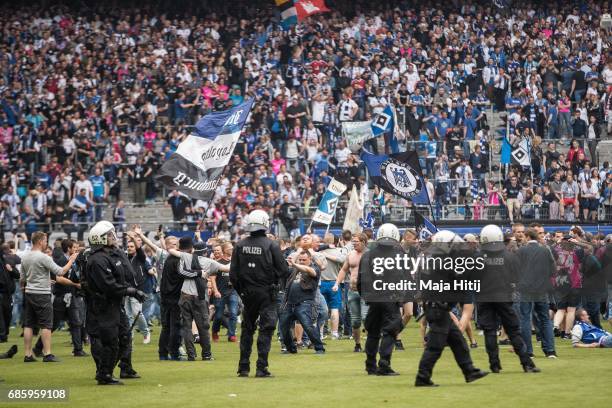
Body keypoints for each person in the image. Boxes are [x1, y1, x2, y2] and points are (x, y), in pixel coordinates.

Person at [415, 230, 488, 387]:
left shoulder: (435, 258)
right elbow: (459, 277)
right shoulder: (441, 260)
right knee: (435, 346)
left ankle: (470, 371)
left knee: (458, 341)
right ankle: (422, 377)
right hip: (438, 308)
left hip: (438, 307)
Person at [83, 221, 146, 385]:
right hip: (104, 306)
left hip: (115, 304)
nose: (113, 237)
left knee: (124, 337)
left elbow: (122, 277)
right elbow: (109, 286)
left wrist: (132, 290)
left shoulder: (111, 254)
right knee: (110, 341)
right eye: (109, 235)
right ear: (100, 239)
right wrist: (132, 291)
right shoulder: (97, 260)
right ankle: (104, 374)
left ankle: (108, 371)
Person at [229, 209, 289, 378]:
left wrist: (242, 292)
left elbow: (233, 275)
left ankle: (243, 367)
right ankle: (261, 367)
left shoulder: (239, 245)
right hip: (267, 293)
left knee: (247, 330)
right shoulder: (271, 245)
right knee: (266, 329)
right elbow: (284, 270)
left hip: (247, 294)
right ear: (265, 223)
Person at [476, 225, 540, 374]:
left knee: (489, 332)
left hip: (484, 298)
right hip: (504, 297)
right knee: (513, 331)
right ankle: (527, 364)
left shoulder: (477, 257)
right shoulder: (509, 256)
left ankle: (494, 365)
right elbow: (517, 277)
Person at [166, 238, 229, 361]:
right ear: (206, 252)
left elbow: (171, 250)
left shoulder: (186, 257)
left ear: (194, 250)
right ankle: (206, 355)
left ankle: (191, 355)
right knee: (203, 327)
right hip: (199, 298)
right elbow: (227, 268)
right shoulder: (210, 262)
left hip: (185, 296)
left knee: (187, 327)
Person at [20, 232, 78, 363]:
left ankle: (28, 355)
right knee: (46, 324)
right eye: (45, 241)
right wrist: (71, 260)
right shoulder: (44, 257)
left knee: (28, 324)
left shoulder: (25, 256)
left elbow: (22, 278)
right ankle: (47, 354)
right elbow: (61, 272)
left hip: (29, 292)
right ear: (40, 241)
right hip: (42, 294)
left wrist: (24, 287)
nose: (47, 243)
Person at [358, 224, 405, 376]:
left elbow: (360, 280)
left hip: (373, 299)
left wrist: (367, 297)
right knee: (390, 331)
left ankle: (370, 365)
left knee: (373, 332)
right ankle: (384, 364)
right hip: (390, 298)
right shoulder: (400, 255)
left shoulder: (367, 254)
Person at [33, 239, 88, 357]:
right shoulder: (61, 260)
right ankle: (38, 348)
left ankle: (78, 349)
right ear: (68, 249)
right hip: (60, 297)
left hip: (71, 295)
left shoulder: (73, 260)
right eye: (74, 248)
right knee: (53, 325)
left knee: (76, 322)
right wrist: (75, 284)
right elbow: (59, 277)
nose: (76, 250)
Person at [516, 228, 557, 358]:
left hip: (525, 289)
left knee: (525, 319)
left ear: (527, 237)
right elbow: (553, 270)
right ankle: (550, 350)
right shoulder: (545, 250)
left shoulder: (521, 251)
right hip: (542, 289)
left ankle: (528, 351)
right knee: (545, 319)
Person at [279, 250, 325, 354]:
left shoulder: (315, 268)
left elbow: (310, 271)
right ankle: (291, 349)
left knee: (308, 326)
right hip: (290, 302)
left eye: (304, 260)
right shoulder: (294, 269)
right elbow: (283, 272)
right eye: (300, 259)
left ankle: (319, 348)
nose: (302, 261)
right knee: (283, 326)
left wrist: (295, 264)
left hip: (305, 302)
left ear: (310, 259)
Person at [333, 233, 368, 352]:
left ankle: (370, 344)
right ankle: (357, 345)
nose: (354, 244)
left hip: (367, 291)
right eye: (353, 242)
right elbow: (344, 269)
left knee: (366, 317)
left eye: (356, 242)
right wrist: (337, 283)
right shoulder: (351, 254)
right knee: (355, 321)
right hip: (352, 291)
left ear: (363, 242)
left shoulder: (370, 255)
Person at [211, 242, 239, 343]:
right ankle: (215, 331)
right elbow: (212, 278)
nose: (232, 249)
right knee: (218, 316)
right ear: (224, 250)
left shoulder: (235, 262)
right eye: (230, 248)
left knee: (233, 313)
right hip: (220, 292)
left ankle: (231, 335)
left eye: (232, 248)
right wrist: (216, 291)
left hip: (232, 291)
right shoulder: (217, 262)